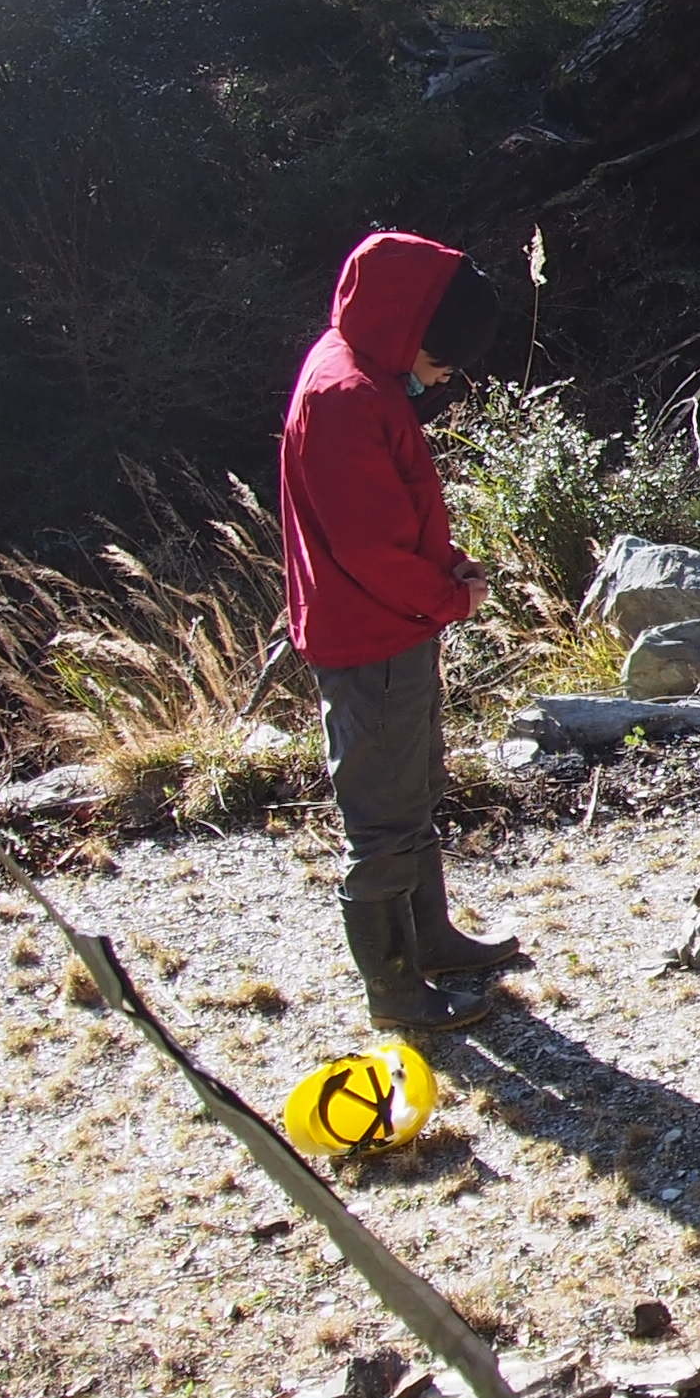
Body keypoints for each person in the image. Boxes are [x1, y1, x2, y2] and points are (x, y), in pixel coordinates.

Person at [276, 230, 521, 1039]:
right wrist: (447, 598)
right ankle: (395, 992)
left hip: (397, 623)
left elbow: (395, 509)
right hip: (370, 634)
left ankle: (434, 941)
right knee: (381, 816)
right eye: (446, 359)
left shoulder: (369, 373)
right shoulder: (345, 397)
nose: (451, 375)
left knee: (414, 788)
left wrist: (447, 566)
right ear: (409, 329)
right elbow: (368, 548)